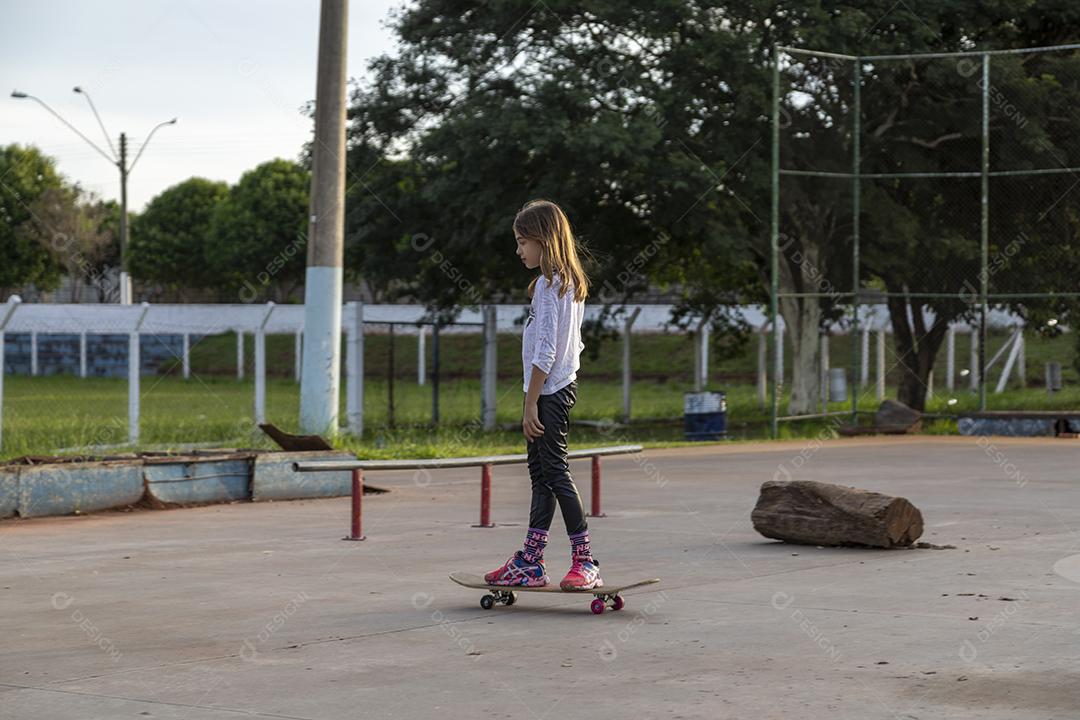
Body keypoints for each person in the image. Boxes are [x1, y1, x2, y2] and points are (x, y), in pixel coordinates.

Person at [484, 199, 601, 591]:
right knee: (540, 475)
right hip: (554, 388)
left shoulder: (552, 286)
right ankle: (531, 562)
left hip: (550, 391)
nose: (518, 250)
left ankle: (585, 561)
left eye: (522, 241)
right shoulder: (563, 283)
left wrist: (531, 400)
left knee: (554, 472)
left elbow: (546, 351)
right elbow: (575, 346)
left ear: (543, 240)